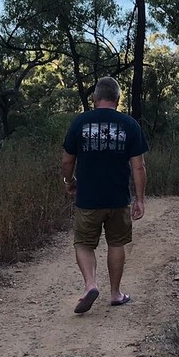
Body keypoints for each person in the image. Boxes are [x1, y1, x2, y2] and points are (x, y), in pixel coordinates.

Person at [61, 76, 148, 314]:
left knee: (83, 243)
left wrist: (69, 181)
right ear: (118, 100)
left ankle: (90, 284)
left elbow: (68, 160)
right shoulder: (130, 125)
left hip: (88, 199)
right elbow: (138, 166)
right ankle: (115, 294)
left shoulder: (80, 122)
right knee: (116, 243)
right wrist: (139, 199)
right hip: (118, 199)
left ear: (94, 98)